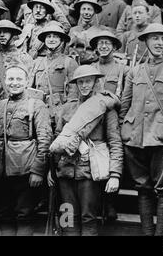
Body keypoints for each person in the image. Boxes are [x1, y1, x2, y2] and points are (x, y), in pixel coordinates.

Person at [119, 23, 163, 236]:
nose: (159, 43)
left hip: (162, 138)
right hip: (135, 138)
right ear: (146, 42)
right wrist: (125, 132)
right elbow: (125, 105)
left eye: (162, 39)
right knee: (142, 188)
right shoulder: (135, 71)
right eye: (154, 39)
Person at [50, 65, 123, 235]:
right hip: (64, 172)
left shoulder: (105, 107)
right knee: (66, 216)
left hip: (90, 172)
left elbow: (115, 143)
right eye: (80, 82)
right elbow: (58, 137)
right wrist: (51, 170)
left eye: (88, 81)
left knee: (88, 218)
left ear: (95, 82)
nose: (84, 85)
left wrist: (115, 175)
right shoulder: (68, 107)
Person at [0, 63, 52, 236]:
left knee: (24, 215)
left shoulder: (36, 105)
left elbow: (44, 140)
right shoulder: (0, 105)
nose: (14, 82)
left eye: (19, 79)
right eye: (10, 79)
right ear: (5, 81)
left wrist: (38, 171)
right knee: (4, 214)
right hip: (2, 168)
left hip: (25, 168)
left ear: (27, 81)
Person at [29, 22, 79, 125]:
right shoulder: (37, 62)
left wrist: (65, 117)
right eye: (48, 37)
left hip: (60, 112)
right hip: (39, 112)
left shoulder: (69, 62)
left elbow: (73, 96)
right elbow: (29, 89)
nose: (51, 39)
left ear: (61, 40)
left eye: (55, 37)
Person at [0, 20, 33, 101]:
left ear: (13, 34)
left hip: (17, 103)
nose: (1, 35)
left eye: (5, 32)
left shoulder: (23, 57)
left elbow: (29, 84)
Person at [67, 0, 107, 65]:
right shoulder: (73, 30)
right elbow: (66, 52)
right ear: (80, 11)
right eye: (83, 9)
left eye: (89, 9)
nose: (86, 12)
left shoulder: (101, 31)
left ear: (95, 12)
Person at [90, 31, 129, 97]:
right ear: (96, 48)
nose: (104, 46)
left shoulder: (123, 69)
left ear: (114, 47)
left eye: (107, 43)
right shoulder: (91, 68)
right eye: (100, 43)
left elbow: (127, 95)